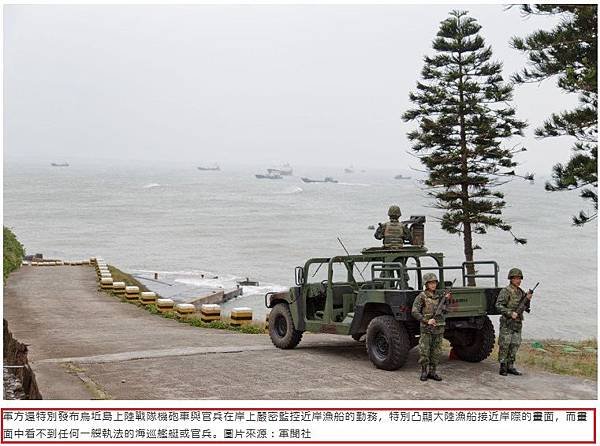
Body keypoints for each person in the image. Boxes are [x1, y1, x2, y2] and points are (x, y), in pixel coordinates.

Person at [411, 272, 449, 382]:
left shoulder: (440, 296)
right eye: (430, 283)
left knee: (436, 351)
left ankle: (433, 372)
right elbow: (414, 312)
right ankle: (424, 371)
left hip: (438, 327)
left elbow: (446, 310)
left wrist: (446, 300)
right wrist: (427, 321)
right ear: (426, 284)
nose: (433, 285)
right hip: (426, 328)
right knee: (424, 351)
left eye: (434, 283)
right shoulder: (421, 296)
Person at [496, 268, 532, 376]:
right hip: (507, 322)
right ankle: (503, 366)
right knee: (505, 344)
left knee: (515, 344)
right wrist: (510, 313)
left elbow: (525, 307)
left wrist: (528, 299)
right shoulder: (506, 291)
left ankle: (510, 366)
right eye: (516, 278)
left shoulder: (521, 292)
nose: (518, 280)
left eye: (519, 278)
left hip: (517, 322)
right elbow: (498, 305)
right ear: (511, 279)